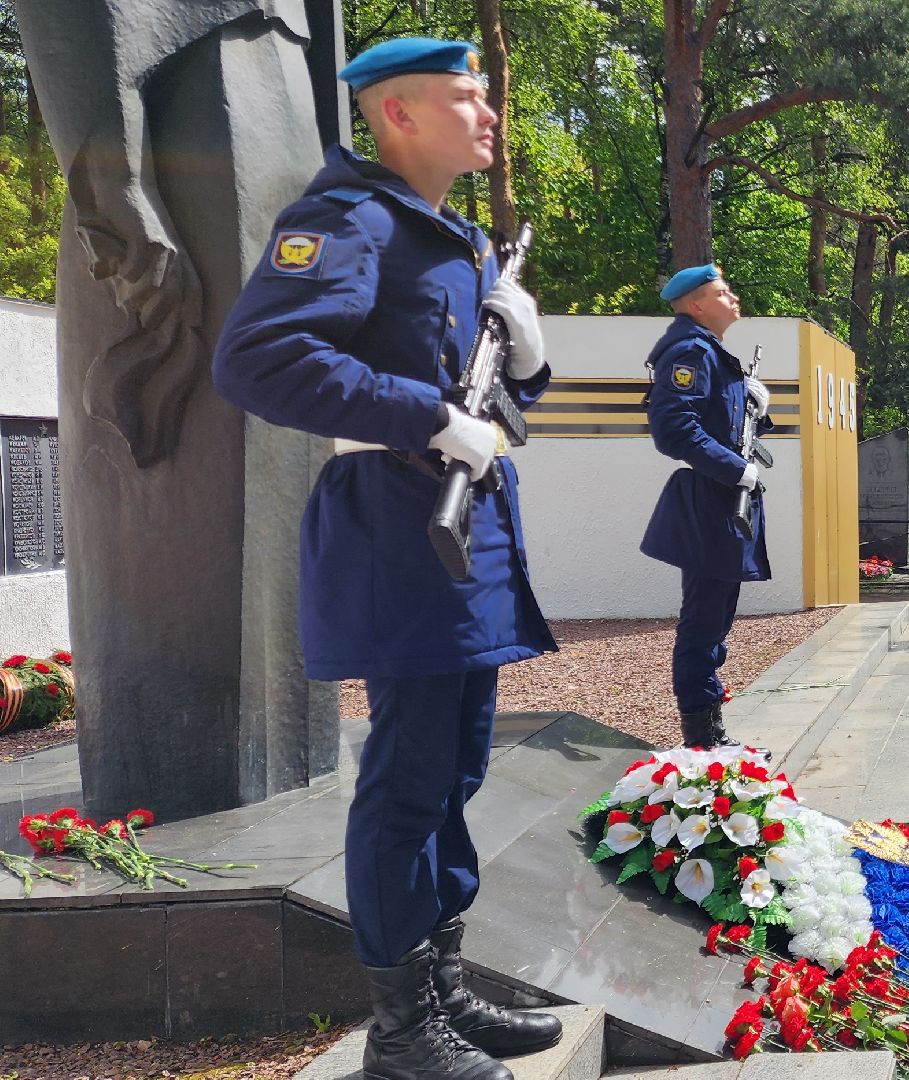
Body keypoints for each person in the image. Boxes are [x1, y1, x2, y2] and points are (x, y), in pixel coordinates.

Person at [210, 38, 562, 1079]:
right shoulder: (349, 218)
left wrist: (528, 361)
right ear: (397, 114)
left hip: (460, 535)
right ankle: (403, 1035)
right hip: (395, 530)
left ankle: (441, 990)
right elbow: (259, 359)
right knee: (409, 775)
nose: (488, 113)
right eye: (465, 96)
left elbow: (489, 406)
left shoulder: (453, 238)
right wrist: (428, 417)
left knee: (454, 767)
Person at [639, 263, 772, 748]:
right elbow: (675, 430)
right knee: (703, 625)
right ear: (696, 305)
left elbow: (724, 424)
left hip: (721, 502)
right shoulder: (690, 351)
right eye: (722, 292)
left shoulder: (709, 352)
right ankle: (702, 741)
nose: (732, 297)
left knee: (714, 623)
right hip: (712, 502)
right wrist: (736, 470)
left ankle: (711, 733)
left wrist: (758, 409)